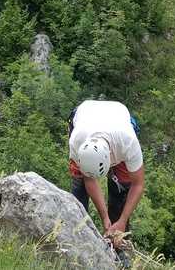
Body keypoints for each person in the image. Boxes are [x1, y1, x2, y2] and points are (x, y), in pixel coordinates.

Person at [68, 99, 145, 249]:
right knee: (79, 188)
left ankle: (118, 242)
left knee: (121, 189)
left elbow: (138, 184)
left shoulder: (127, 143)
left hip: (118, 117)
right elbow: (88, 179)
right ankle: (76, 239)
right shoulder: (77, 142)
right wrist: (104, 217)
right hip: (84, 114)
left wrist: (122, 220)